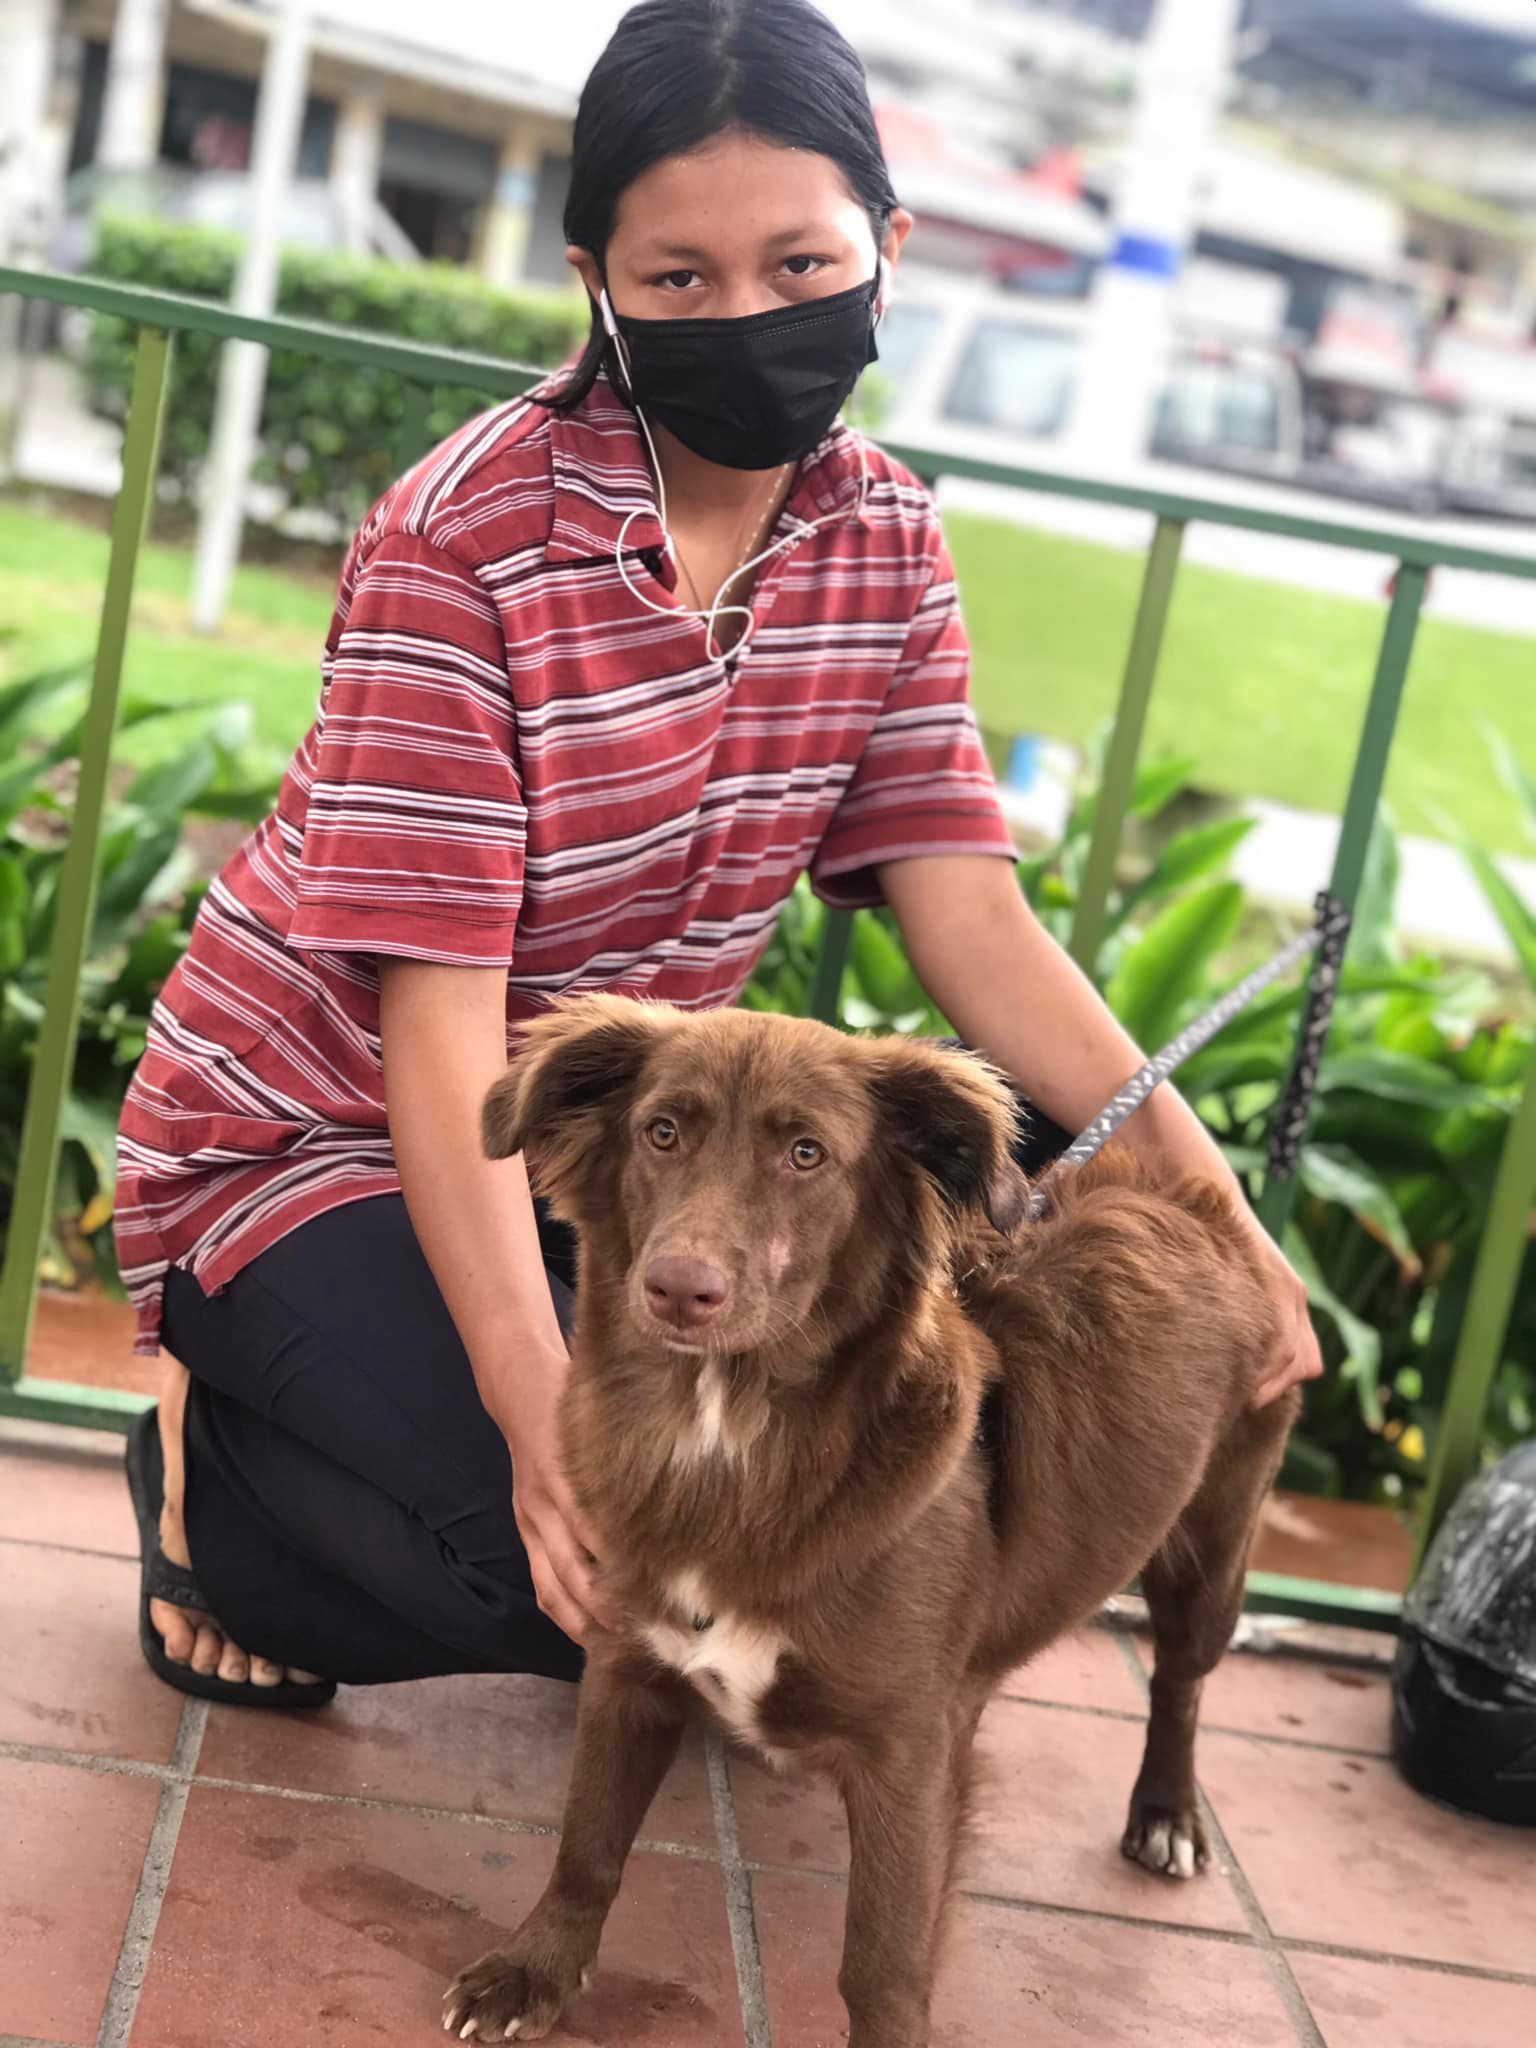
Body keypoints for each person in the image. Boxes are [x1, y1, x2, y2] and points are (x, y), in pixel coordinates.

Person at [114, 0, 1321, 1708]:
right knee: (588, 1572)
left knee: (1013, 1211)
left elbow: (973, 921)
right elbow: (437, 1029)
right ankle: (212, 1482)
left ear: (887, 252)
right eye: (679, 277)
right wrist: (536, 1412)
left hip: (620, 1148)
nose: (747, 316)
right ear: (595, 278)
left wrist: (1225, 1221)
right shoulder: (464, 540)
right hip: (315, 1134)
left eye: (800, 264)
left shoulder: (884, 540)